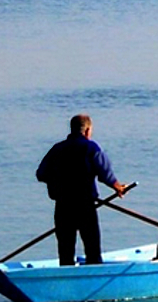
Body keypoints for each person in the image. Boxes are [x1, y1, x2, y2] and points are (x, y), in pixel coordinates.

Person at [36, 114, 128, 266]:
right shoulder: (91, 148)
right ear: (87, 131)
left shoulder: (57, 149)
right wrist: (118, 187)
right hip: (85, 205)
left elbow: (41, 174)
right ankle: (93, 277)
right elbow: (104, 173)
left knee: (65, 251)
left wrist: (59, 181)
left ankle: (66, 279)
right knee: (92, 248)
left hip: (63, 205)